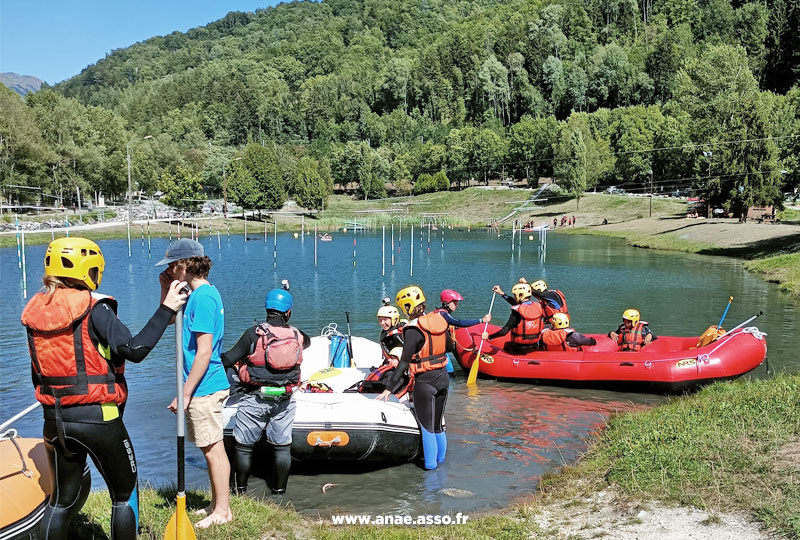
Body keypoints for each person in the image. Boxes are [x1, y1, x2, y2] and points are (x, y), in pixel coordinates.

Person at [21, 237, 188, 540]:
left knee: (61, 502)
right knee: (124, 495)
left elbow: (39, 372)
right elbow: (134, 350)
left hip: (54, 421)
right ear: (89, 270)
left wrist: (163, 297)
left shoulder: (36, 312)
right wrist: (167, 309)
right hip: (99, 421)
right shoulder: (94, 308)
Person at [157, 238, 232, 528]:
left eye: (172, 266)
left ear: (184, 265)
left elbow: (204, 351)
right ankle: (216, 503)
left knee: (213, 448)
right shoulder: (197, 294)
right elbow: (165, 321)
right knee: (208, 447)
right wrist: (165, 288)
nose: (170, 270)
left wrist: (185, 393)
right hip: (202, 384)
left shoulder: (202, 298)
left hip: (205, 386)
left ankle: (223, 512)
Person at [221, 288, 310, 496]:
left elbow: (227, 359)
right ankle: (279, 492)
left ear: (267, 309)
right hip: (285, 399)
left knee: (243, 447)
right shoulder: (298, 335)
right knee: (282, 448)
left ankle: (240, 492)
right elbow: (307, 343)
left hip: (255, 398)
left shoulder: (254, 334)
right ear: (288, 312)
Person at [376, 286, 451, 470]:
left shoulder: (412, 330)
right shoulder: (438, 319)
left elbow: (403, 362)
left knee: (427, 428)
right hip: (443, 378)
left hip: (426, 381)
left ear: (406, 308)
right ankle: (442, 464)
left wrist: (388, 388)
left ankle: (431, 471)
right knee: (437, 425)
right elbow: (449, 346)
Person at [434, 289, 491, 374]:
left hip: (440, 350)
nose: (457, 305)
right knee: (450, 373)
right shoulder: (443, 315)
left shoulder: (443, 313)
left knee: (450, 372)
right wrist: (481, 320)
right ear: (447, 303)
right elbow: (459, 322)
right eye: (455, 302)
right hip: (438, 352)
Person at [482, 282, 545, 355]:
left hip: (517, 349)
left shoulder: (516, 312)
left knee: (506, 345)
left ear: (520, 295)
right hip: (534, 346)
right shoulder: (538, 307)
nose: (514, 297)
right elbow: (518, 303)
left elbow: (504, 332)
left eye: (515, 295)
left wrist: (489, 336)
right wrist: (501, 293)